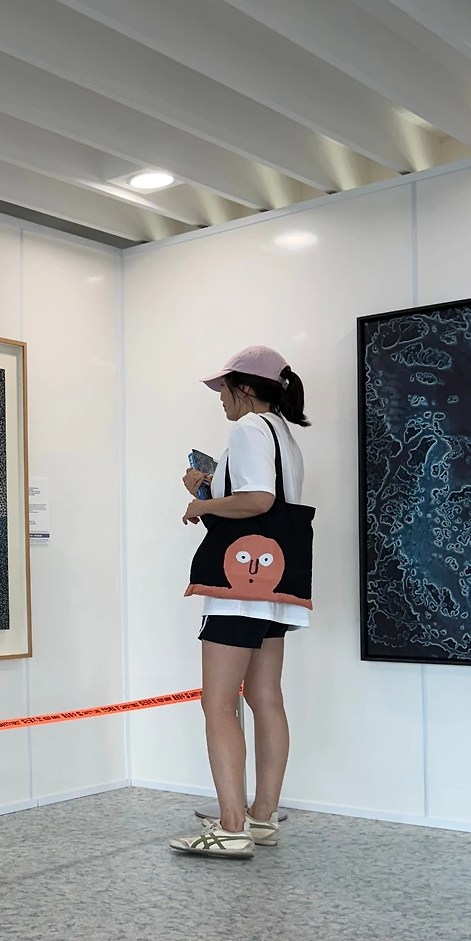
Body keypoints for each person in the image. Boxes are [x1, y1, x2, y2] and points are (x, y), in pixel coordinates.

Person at [169, 345, 311, 859]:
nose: (220, 399)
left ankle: (231, 826)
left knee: (218, 702)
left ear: (245, 388)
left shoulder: (249, 428)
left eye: (224, 389)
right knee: (266, 697)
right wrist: (212, 484)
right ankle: (261, 817)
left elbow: (257, 501)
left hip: (238, 584)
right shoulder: (282, 434)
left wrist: (200, 503)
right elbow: (268, 498)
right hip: (274, 582)